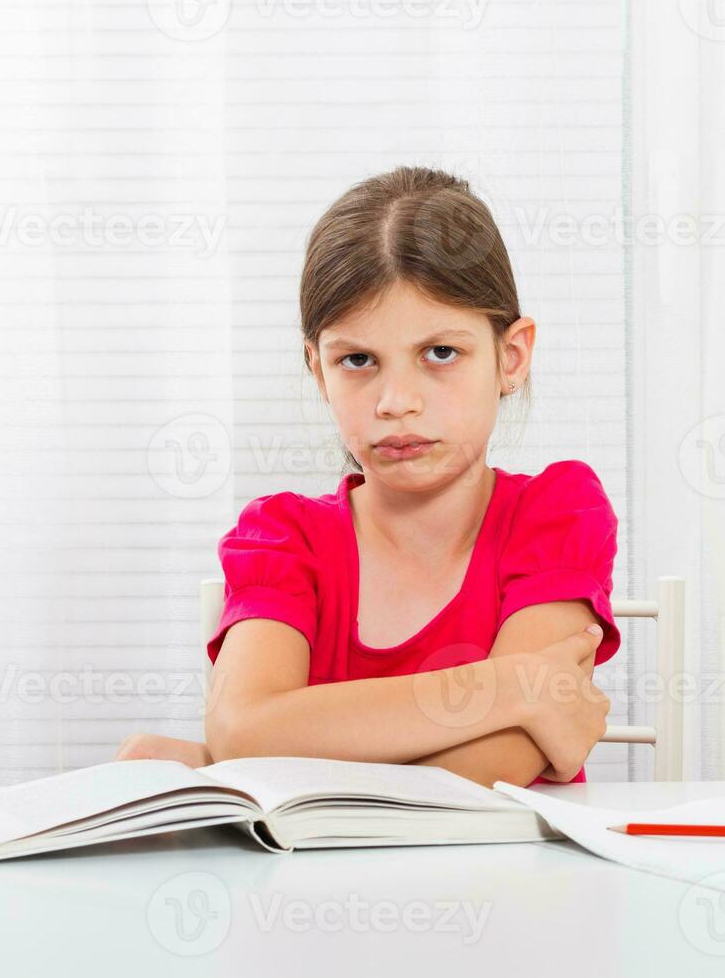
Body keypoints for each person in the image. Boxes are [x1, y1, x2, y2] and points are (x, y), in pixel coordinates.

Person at [115, 166, 621, 787]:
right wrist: (514, 683)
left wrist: (230, 763)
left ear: (510, 357)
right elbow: (244, 730)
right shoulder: (283, 538)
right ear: (319, 371)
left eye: (441, 353)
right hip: (305, 885)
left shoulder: (557, 513)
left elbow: (499, 764)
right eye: (358, 360)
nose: (396, 401)